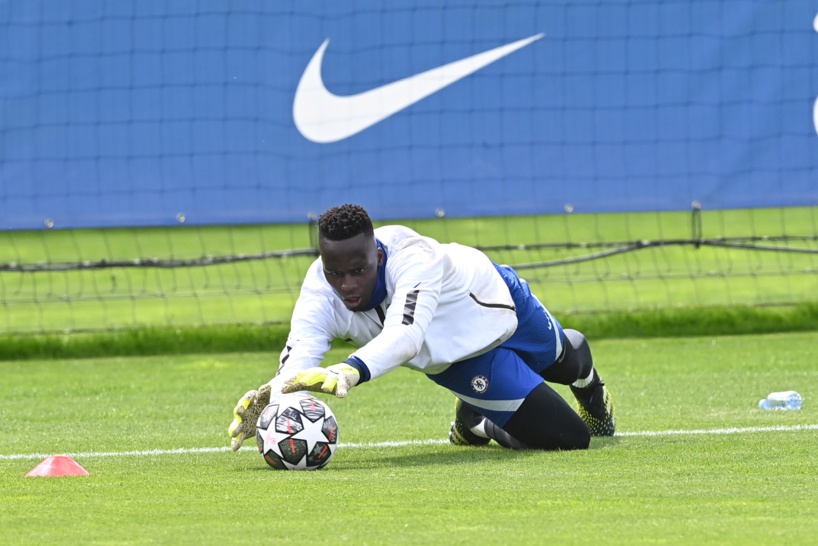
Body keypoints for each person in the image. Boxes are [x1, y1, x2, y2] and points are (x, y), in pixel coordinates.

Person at [228, 204, 614, 452]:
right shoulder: (319, 291)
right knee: (570, 439)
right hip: (460, 363)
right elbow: (299, 359)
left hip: (503, 307)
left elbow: (406, 336)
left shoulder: (414, 258)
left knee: (565, 360)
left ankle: (591, 387)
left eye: (358, 270)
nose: (346, 284)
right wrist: (274, 397)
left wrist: (349, 369)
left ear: (377, 254)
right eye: (335, 273)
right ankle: (478, 420)